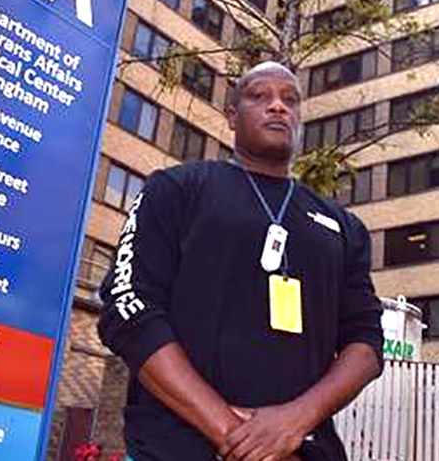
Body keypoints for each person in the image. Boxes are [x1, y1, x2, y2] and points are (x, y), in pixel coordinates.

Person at [97, 61, 384, 461]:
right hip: (176, 449)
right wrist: (235, 434)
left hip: (302, 450)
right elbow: (128, 310)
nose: (277, 107)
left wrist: (293, 422)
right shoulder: (177, 189)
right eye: (259, 96)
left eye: (290, 100)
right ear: (232, 116)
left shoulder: (342, 226)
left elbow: (366, 345)